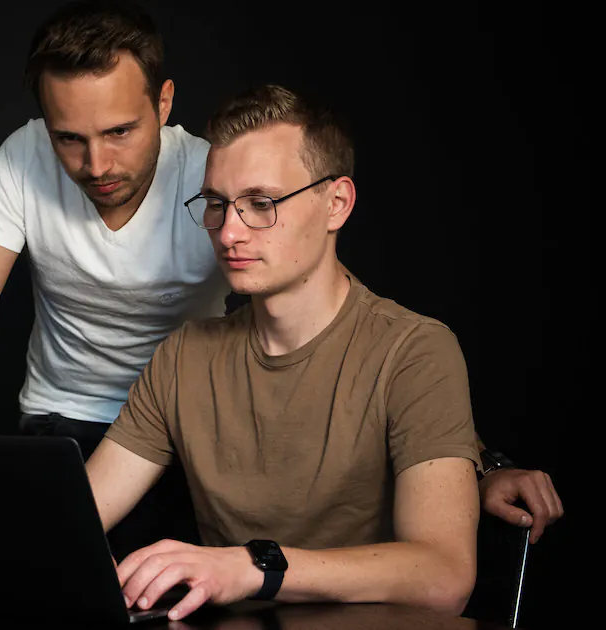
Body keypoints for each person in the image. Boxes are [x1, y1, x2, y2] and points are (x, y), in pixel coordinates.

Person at [0, 0, 561, 548]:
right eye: (68, 137)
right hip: (80, 418)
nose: (95, 163)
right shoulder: (26, 165)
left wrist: (470, 462)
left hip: (200, 426)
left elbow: (347, 324)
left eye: (120, 131)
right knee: (48, 574)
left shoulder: (214, 176)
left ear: (164, 104)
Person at [88, 83, 493, 618]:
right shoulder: (185, 357)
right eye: (216, 204)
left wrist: (253, 568)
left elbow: (443, 575)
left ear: (336, 204)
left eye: (261, 203)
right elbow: (69, 520)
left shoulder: (415, 351)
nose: (229, 232)